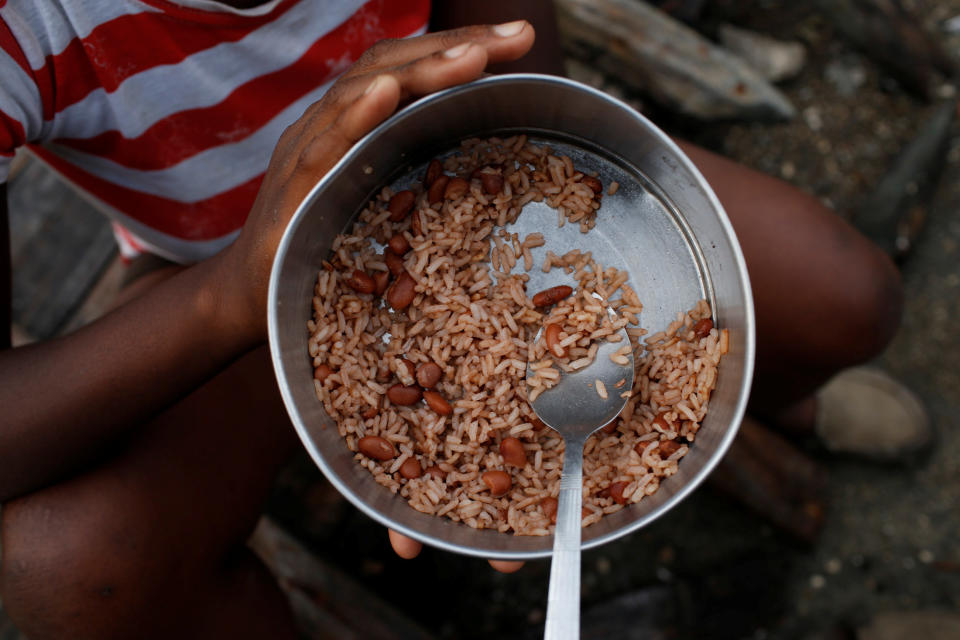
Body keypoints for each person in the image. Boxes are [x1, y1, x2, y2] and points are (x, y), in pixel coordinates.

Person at [0, 1, 923, 637]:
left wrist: (489, 261)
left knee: (852, 299)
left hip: (473, 184)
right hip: (210, 279)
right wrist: (234, 292)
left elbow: (523, 63)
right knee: (68, 569)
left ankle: (758, 405)